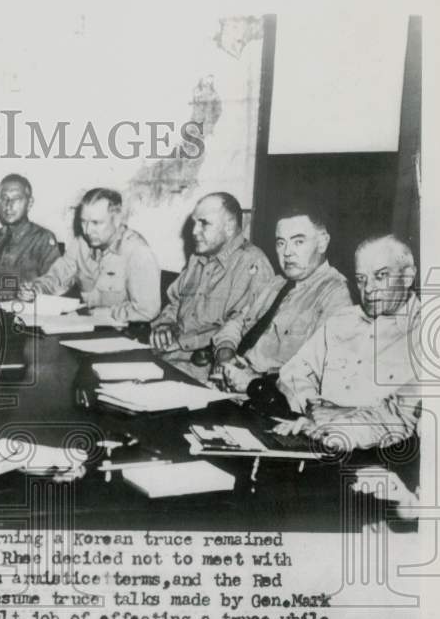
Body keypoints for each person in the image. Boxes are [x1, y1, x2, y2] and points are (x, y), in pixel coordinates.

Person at [274, 235, 421, 451]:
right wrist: (311, 406)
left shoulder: (431, 336)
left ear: (408, 276)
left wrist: (340, 420)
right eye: (361, 279)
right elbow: (294, 372)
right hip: (313, 434)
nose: (368, 289)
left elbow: (400, 415)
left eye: (380, 276)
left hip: (374, 455)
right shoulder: (343, 321)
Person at [213, 206, 352, 391]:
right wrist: (225, 353)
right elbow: (237, 322)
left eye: (298, 242)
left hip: (271, 396)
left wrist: (256, 380)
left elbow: (320, 370)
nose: (287, 252)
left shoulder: (337, 294)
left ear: (322, 243)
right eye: (281, 243)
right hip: (233, 384)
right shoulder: (276, 284)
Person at [149, 192, 274, 381]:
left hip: (204, 370)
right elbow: (176, 303)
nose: (194, 231)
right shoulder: (197, 260)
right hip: (169, 358)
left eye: (204, 223)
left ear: (230, 227)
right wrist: (165, 325)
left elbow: (245, 332)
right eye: (194, 223)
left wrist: (186, 344)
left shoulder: (252, 264)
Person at [18, 187, 161, 322]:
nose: (87, 230)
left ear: (117, 220)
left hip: (126, 334)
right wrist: (36, 289)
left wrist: (103, 313)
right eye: (83, 222)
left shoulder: (138, 252)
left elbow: (147, 311)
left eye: (96, 223)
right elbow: (57, 277)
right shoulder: (81, 244)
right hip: (87, 327)